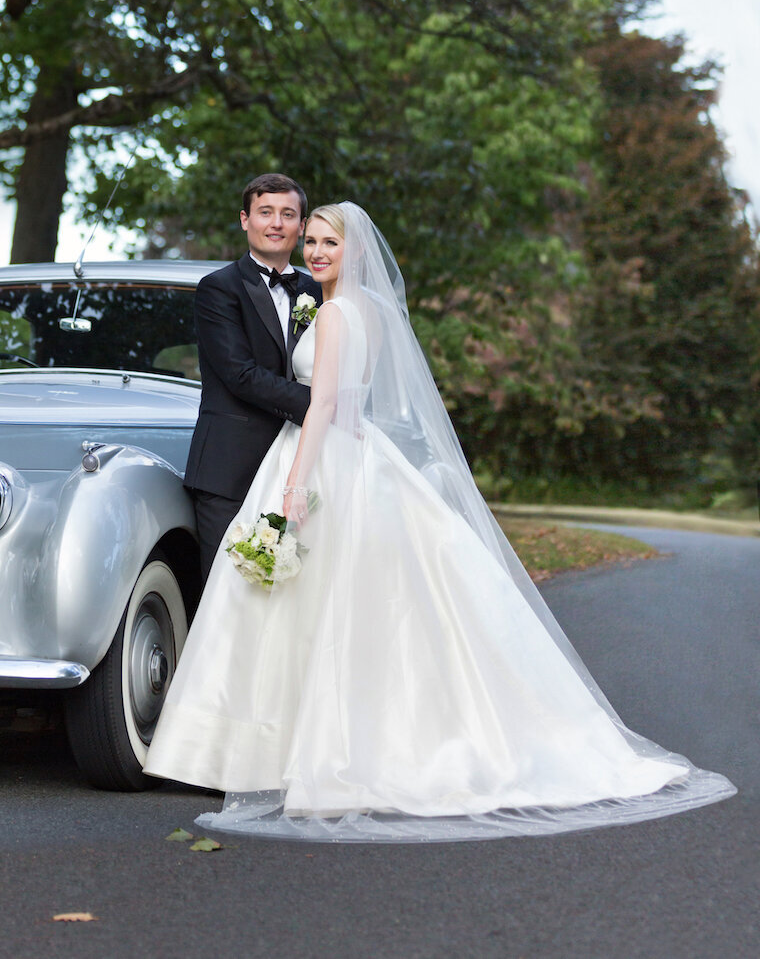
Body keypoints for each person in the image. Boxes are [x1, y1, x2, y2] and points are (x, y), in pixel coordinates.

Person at [145, 202, 735, 841]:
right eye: (309, 241)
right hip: (358, 453)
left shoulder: (337, 312)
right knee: (342, 609)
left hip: (319, 458)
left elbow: (321, 408)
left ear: (353, 252)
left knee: (304, 608)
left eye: (325, 244)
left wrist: (293, 485)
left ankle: (295, 749)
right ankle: (318, 742)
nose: (313, 253)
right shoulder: (362, 309)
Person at [183, 173, 321, 578]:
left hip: (304, 468)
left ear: (301, 225)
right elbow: (239, 374)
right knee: (225, 595)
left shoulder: (318, 291)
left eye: (287, 214)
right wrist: (323, 406)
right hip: (231, 469)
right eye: (265, 212)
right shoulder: (218, 289)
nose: (276, 223)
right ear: (245, 220)